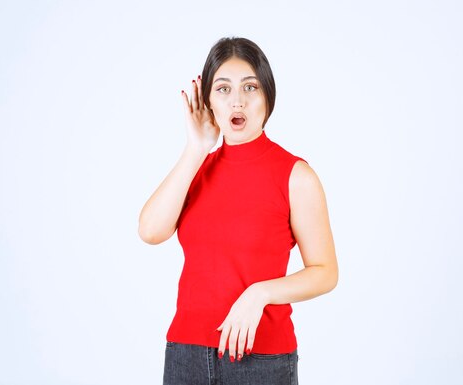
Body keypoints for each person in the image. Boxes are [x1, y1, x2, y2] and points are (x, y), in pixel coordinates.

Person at [138, 37, 339, 385]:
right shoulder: (197, 168)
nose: (238, 100)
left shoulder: (295, 176)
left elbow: (325, 272)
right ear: (208, 102)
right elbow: (150, 231)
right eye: (223, 88)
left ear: (267, 97)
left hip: (261, 361)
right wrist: (196, 148)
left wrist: (260, 294)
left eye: (251, 86)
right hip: (186, 355)